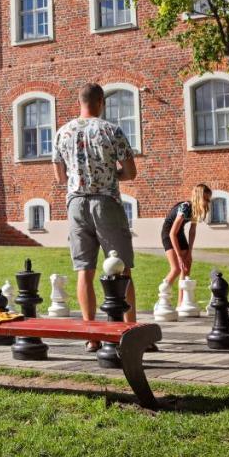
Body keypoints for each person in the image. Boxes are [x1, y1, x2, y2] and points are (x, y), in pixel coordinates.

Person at [52, 82, 138, 348]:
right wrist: (113, 175)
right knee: (122, 269)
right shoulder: (111, 130)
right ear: (101, 102)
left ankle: (91, 335)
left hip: (76, 204)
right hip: (106, 202)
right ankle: (130, 330)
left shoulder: (62, 132)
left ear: (80, 102)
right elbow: (131, 172)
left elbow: (59, 177)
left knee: (84, 270)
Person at [162, 184, 212, 302]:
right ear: (198, 197)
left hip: (179, 234)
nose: (207, 202)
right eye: (205, 199)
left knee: (186, 265)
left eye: (209, 199)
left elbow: (192, 231)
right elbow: (172, 233)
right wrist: (179, 256)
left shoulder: (196, 209)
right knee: (176, 269)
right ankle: (162, 298)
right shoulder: (185, 207)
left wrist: (189, 252)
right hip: (169, 234)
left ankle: (181, 304)